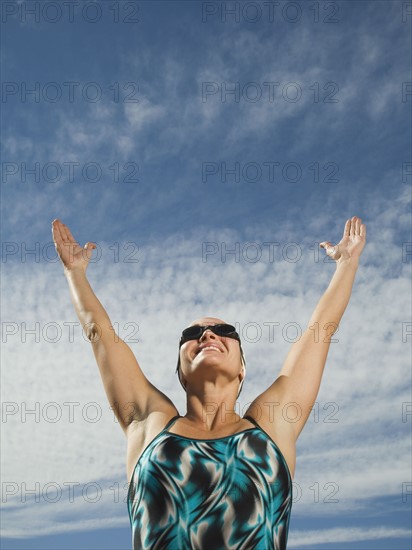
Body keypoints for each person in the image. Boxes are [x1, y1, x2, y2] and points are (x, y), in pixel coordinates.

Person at [52, 216, 367, 550]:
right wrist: (75, 274)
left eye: (225, 332)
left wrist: (347, 264)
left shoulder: (272, 425)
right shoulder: (150, 423)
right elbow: (100, 334)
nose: (207, 334)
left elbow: (321, 331)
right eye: (192, 335)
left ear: (243, 368)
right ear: (180, 372)